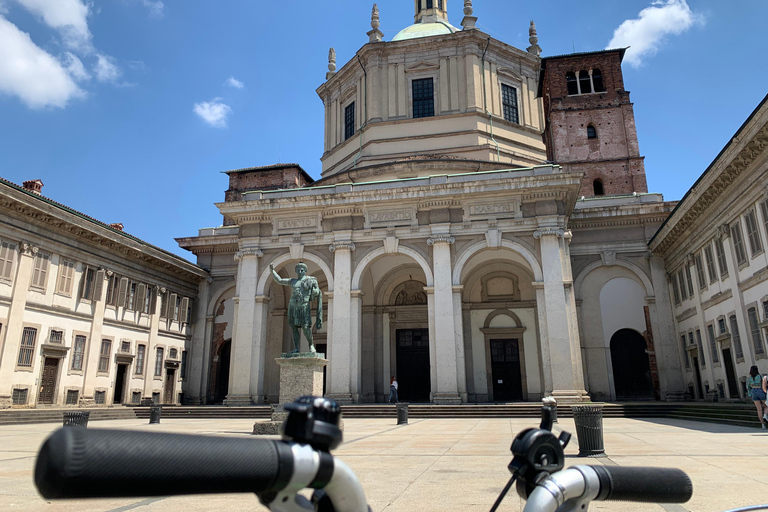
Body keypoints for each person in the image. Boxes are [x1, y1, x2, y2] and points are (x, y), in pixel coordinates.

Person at [270, 262, 322, 353]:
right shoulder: (292, 281)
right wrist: (272, 271)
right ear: (296, 271)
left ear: (305, 271)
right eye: (298, 270)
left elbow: (317, 291)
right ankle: (296, 348)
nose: (300, 271)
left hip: (304, 306)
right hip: (293, 306)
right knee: (294, 327)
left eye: (302, 270)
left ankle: (311, 345)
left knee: (305, 327)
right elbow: (279, 280)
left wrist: (315, 291)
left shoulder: (311, 280)